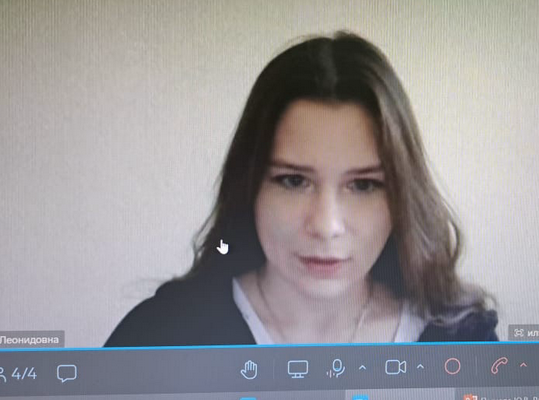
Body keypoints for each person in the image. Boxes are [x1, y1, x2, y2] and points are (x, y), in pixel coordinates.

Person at [105, 32, 497, 347]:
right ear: (250, 188)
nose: (326, 226)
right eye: (293, 181)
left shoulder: (464, 341)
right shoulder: (161, 335)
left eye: (363, 185)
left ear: (401, 199)